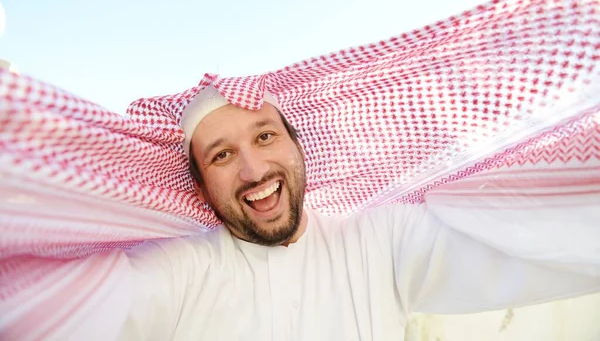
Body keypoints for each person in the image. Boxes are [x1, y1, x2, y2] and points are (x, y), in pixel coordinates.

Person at [115, 85, 600, 341]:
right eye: (221, 155)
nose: (253, 169)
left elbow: (521, 237)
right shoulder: (174, 272)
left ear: (298, 148)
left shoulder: (378, 241)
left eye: (266, 136)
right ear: (199, 188)